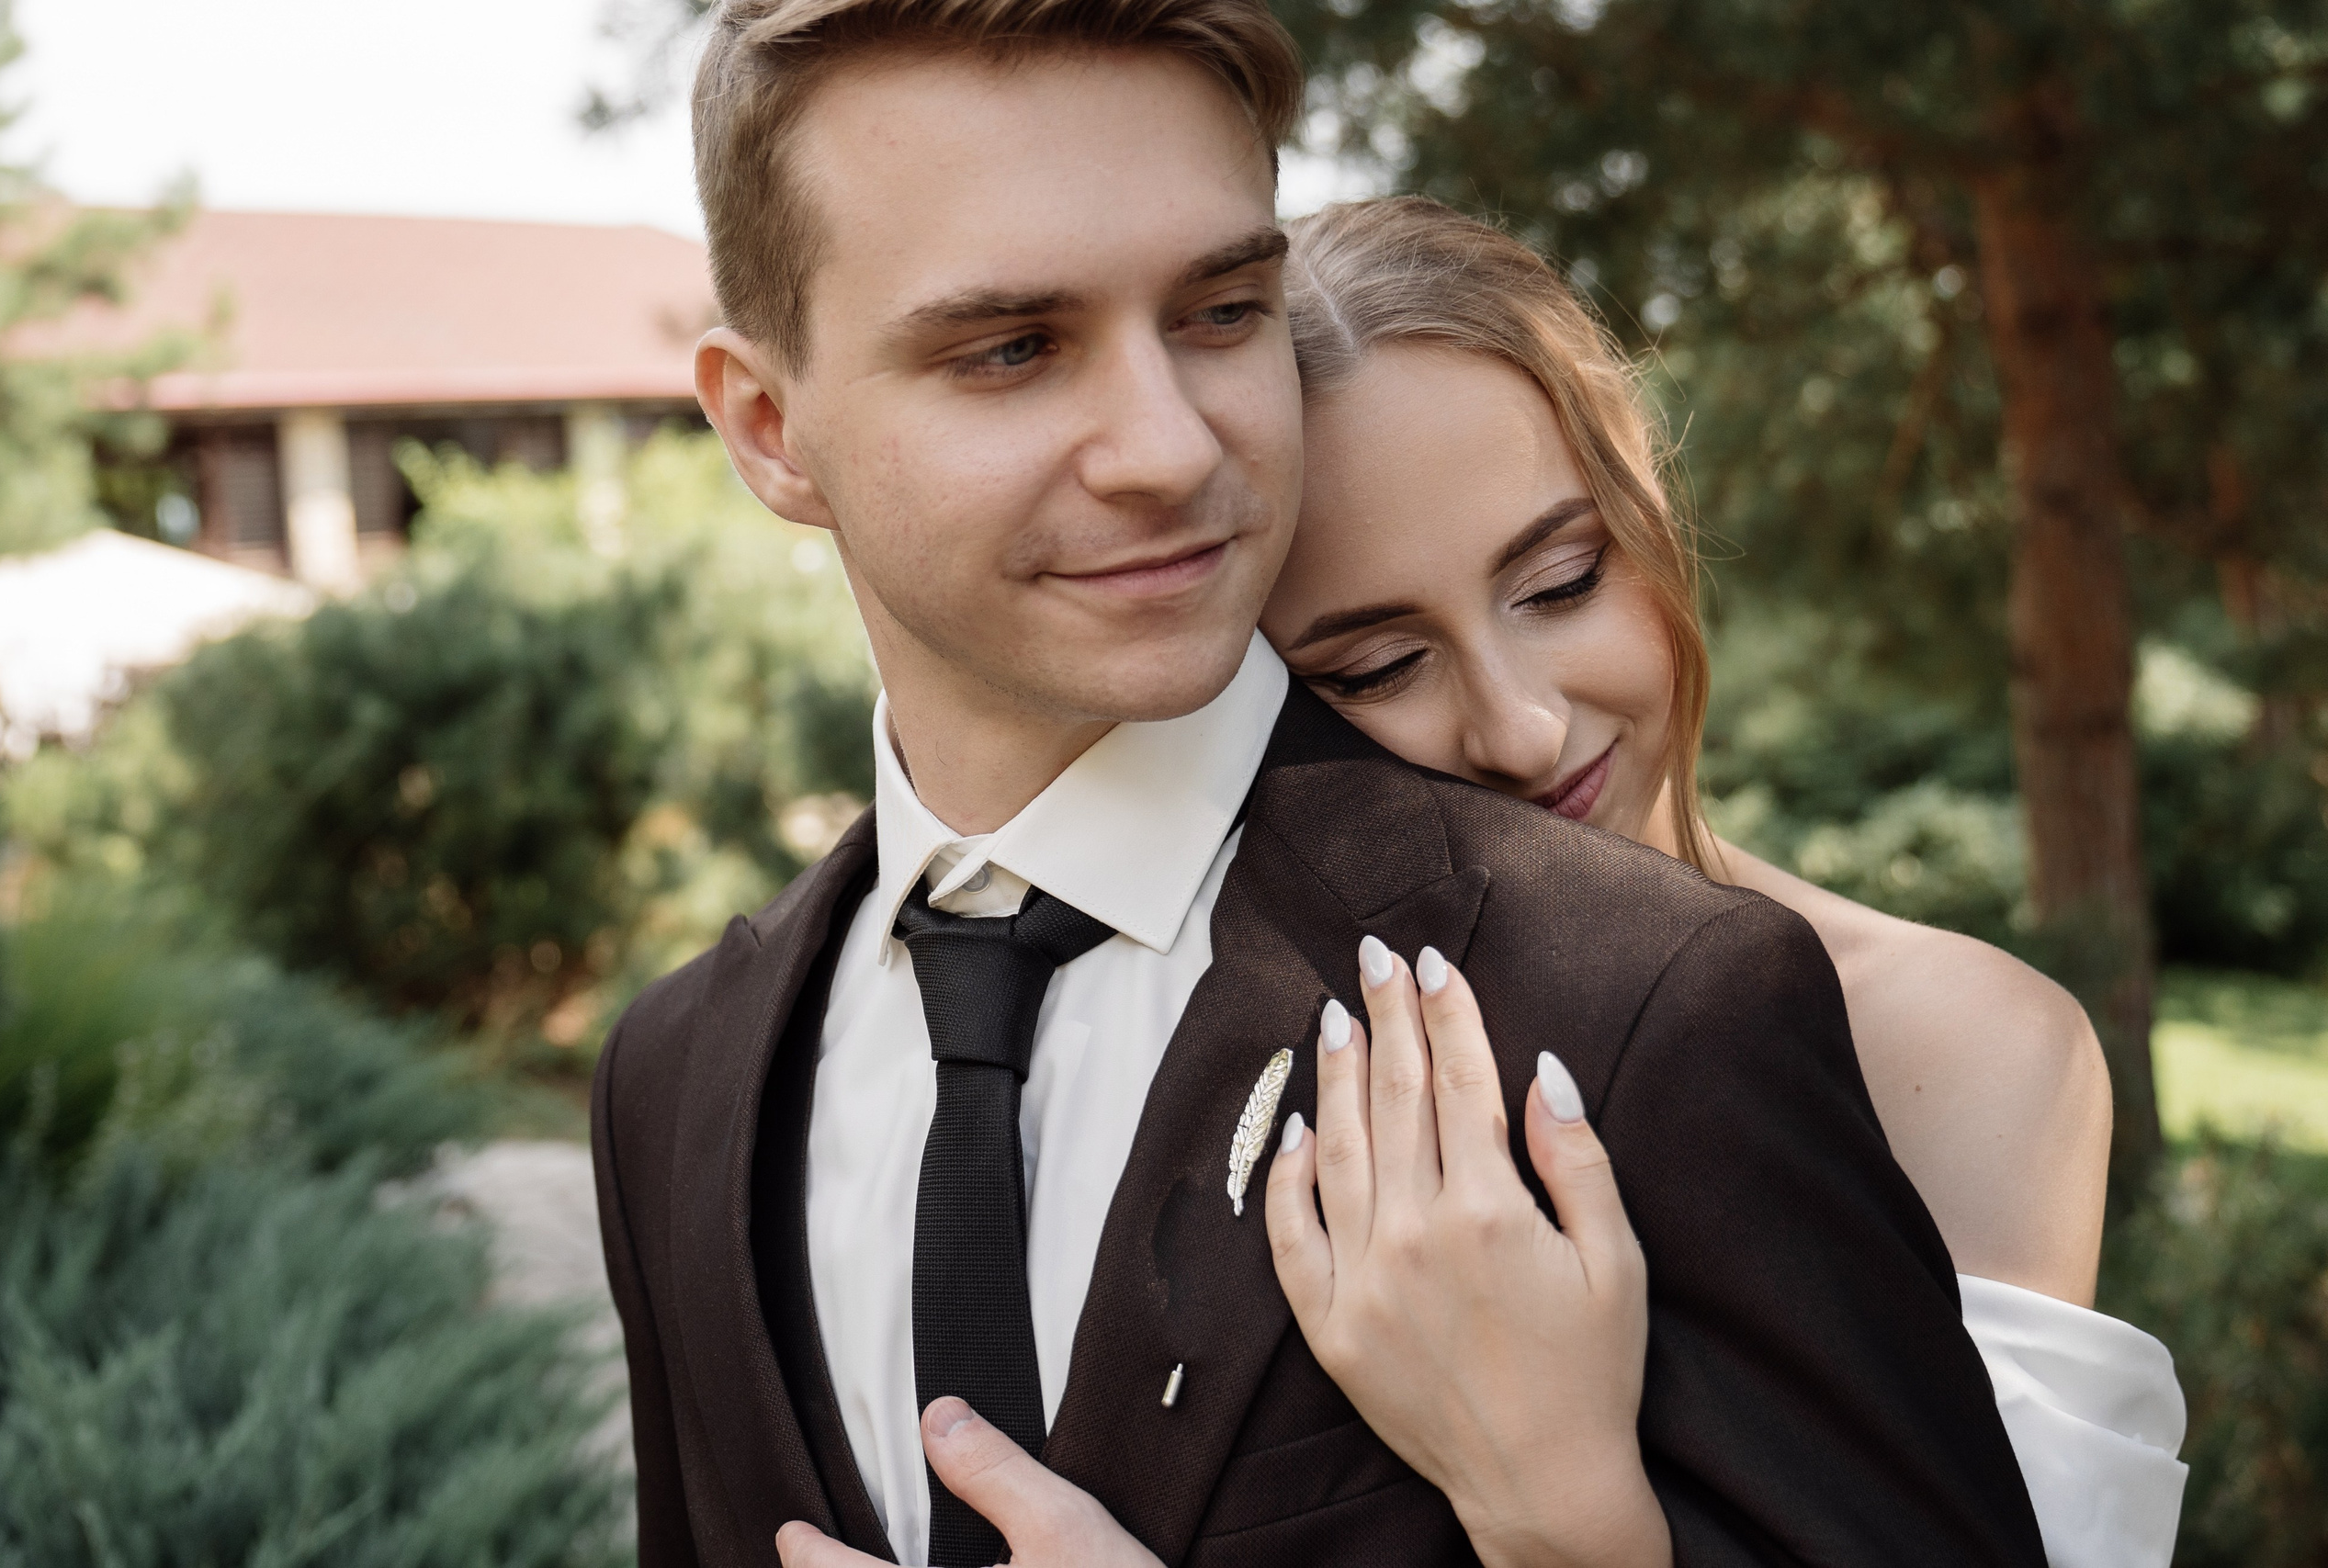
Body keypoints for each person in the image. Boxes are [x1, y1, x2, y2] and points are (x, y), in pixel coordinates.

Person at [592, 4, 2050, 1566]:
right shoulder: (677, 1079)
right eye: (1012, 349)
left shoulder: (1649, 1001)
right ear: (767, 427)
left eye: (1223, 313)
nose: (1164, 450)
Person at [1256, 195, 2187, 1567]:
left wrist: (1564, 1522)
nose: (1522, 729)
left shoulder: (1958, 1054)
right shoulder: (1254, 1067)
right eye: (1379, 667)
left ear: (1650, 518)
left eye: (1563, 581)